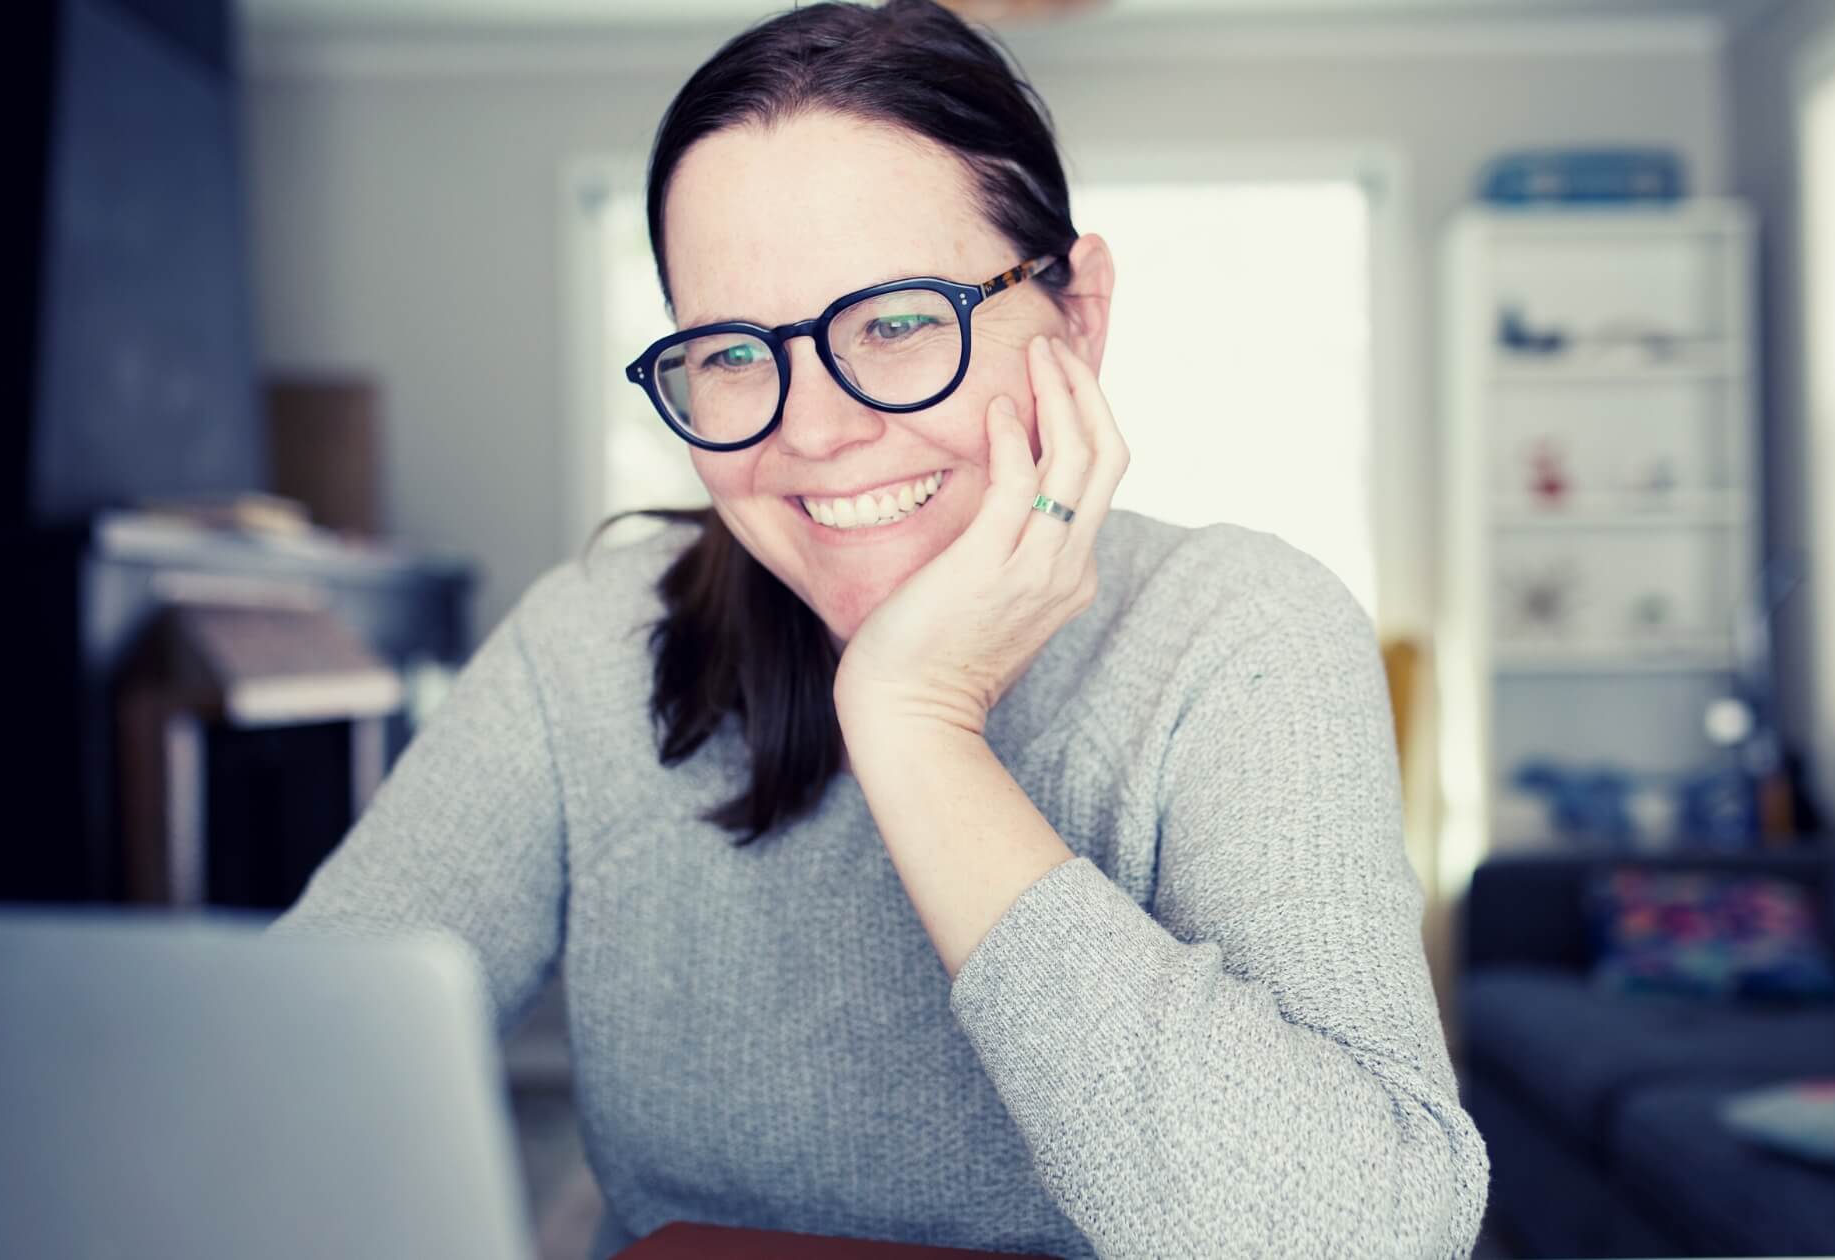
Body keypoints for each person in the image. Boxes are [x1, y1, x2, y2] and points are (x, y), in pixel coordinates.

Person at [270, 2, 1489, 1256]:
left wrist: (915, 730)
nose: (811, 432)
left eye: (899, 323)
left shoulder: (1237, 632)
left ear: (1078, 316)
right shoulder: (592, 640)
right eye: (734, 353)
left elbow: (1367, 1235)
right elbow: (282, 1084)